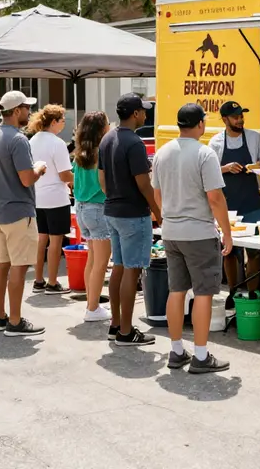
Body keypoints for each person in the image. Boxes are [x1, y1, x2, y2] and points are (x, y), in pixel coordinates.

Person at [152, 103, 232, 374]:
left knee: (176, 291)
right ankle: (200, 355)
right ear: (200, 124)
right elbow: (215, 198)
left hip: (171, 231)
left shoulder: (162, 152)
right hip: (198, 232)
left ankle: (176, 351)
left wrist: (168, 218)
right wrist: (227, 233)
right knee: (204, 293)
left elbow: (157, 195)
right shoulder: (205, 154)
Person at [0, 90, 47, 337]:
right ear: (17, 110)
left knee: (2, 265)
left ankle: (0, 316)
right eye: (27, 108)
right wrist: (39, 168)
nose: (29, 113)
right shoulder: (18, 140)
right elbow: (26, 178)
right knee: (19, 268)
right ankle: (16, 321)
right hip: (19, 211)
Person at [99, 92, 159, 346]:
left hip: (112, 210)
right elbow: (144, 183)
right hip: (133, 213)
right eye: (144, 110)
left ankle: (115, 325)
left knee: (119, 268)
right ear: (135, 114)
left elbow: (102, 180)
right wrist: (157, 210)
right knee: (131, 272)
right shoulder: (134, 143)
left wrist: (115, 195)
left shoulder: (107, 138)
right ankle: (125, 330)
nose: (146, 114)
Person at [208, 100, 260, 309]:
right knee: (229, 251)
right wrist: (226, 168)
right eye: (236, 117)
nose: (240, 120)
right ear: (225, 119)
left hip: (252, 202)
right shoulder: (216, 143)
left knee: (255, 252)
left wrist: (256, 168)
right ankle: (233, 291)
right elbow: (208, 172)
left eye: (241, 116)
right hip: (227, 206)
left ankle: (252, 292)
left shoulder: (254, 138)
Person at [29, 104, 74, 295]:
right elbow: (65, 175)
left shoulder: (32, 141)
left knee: (41, 240)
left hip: (37, 196)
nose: (63, 124)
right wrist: (76, 179)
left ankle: (38, 279)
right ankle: (53, 282)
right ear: (54, 122)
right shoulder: (57, 143)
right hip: (56, 197)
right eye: (62, 121)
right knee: (55, 242)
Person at [74, 110, 113, 322]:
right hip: (98, 209)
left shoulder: (80, 154)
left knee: (92, 259)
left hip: (81, 208)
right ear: (103, 129)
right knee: (101, 263)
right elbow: (106, 184)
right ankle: (93, 307)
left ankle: (92, 303)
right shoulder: (102, 153)